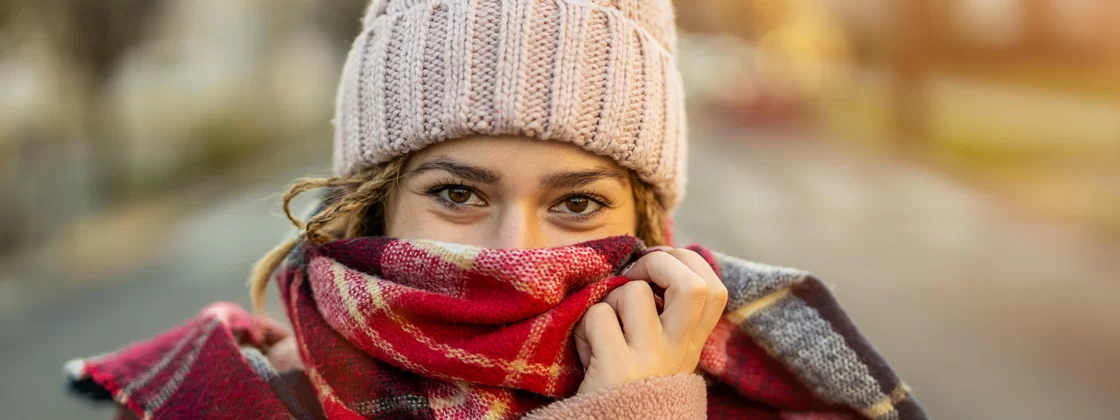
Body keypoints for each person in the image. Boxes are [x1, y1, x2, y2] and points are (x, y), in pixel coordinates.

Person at [66, 1, 927, 419]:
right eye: (456, 193)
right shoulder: (223, 401)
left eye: (578, 203)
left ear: (648, 229)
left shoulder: (761, 393)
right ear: (374, 207)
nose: (515, 253)